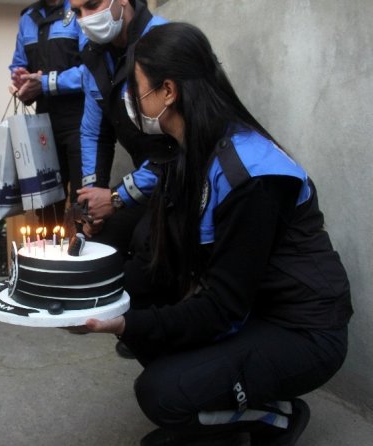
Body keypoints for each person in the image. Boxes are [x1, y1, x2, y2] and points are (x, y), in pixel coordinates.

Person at [77, 22, 353, 445]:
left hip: (302, 332)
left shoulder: (252, 177)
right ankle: (218, 395)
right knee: (137, 292)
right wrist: (83, 295)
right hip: (250, 308)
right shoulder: (188, 153)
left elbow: (223, 308)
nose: (130, 103)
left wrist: (121, 326)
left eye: (136, 89)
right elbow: (161, 268)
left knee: (161, 394)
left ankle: (275, 414)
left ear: (168, 91)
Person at [70, 0, 174, 253]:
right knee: (96, 242)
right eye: (77, 12)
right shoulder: (95, 57)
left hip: (187, 178)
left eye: (92, 5)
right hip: (150, 180)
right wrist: (91, 204)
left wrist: (117, 198)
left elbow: (185, 143)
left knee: (145, 246)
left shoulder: (166, 42)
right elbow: (94, 133)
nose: (85, 18)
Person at [10, 0, 87, 227]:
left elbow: (91, 69)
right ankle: (49, 258)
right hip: (42, 123)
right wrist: (20, 79)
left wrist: (46, 83)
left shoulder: (79, 10)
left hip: (80, 121)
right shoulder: (28, 18)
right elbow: (18, 64)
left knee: (82, 199)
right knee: (47, 201)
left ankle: (81, 251)